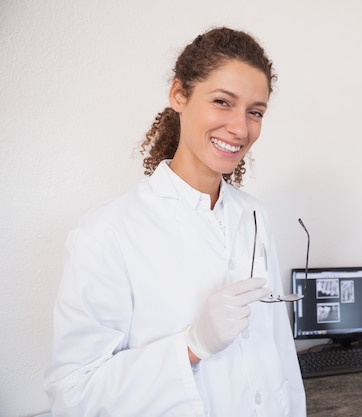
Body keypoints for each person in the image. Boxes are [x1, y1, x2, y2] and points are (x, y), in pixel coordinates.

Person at [44, 27, 306, 416]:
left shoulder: (254, 215)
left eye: (255, 112)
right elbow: (74, 395)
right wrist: (192, 346)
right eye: (222, 101)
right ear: (178, 95)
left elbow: (278, 352)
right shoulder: (106, 234)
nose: (240, 128)